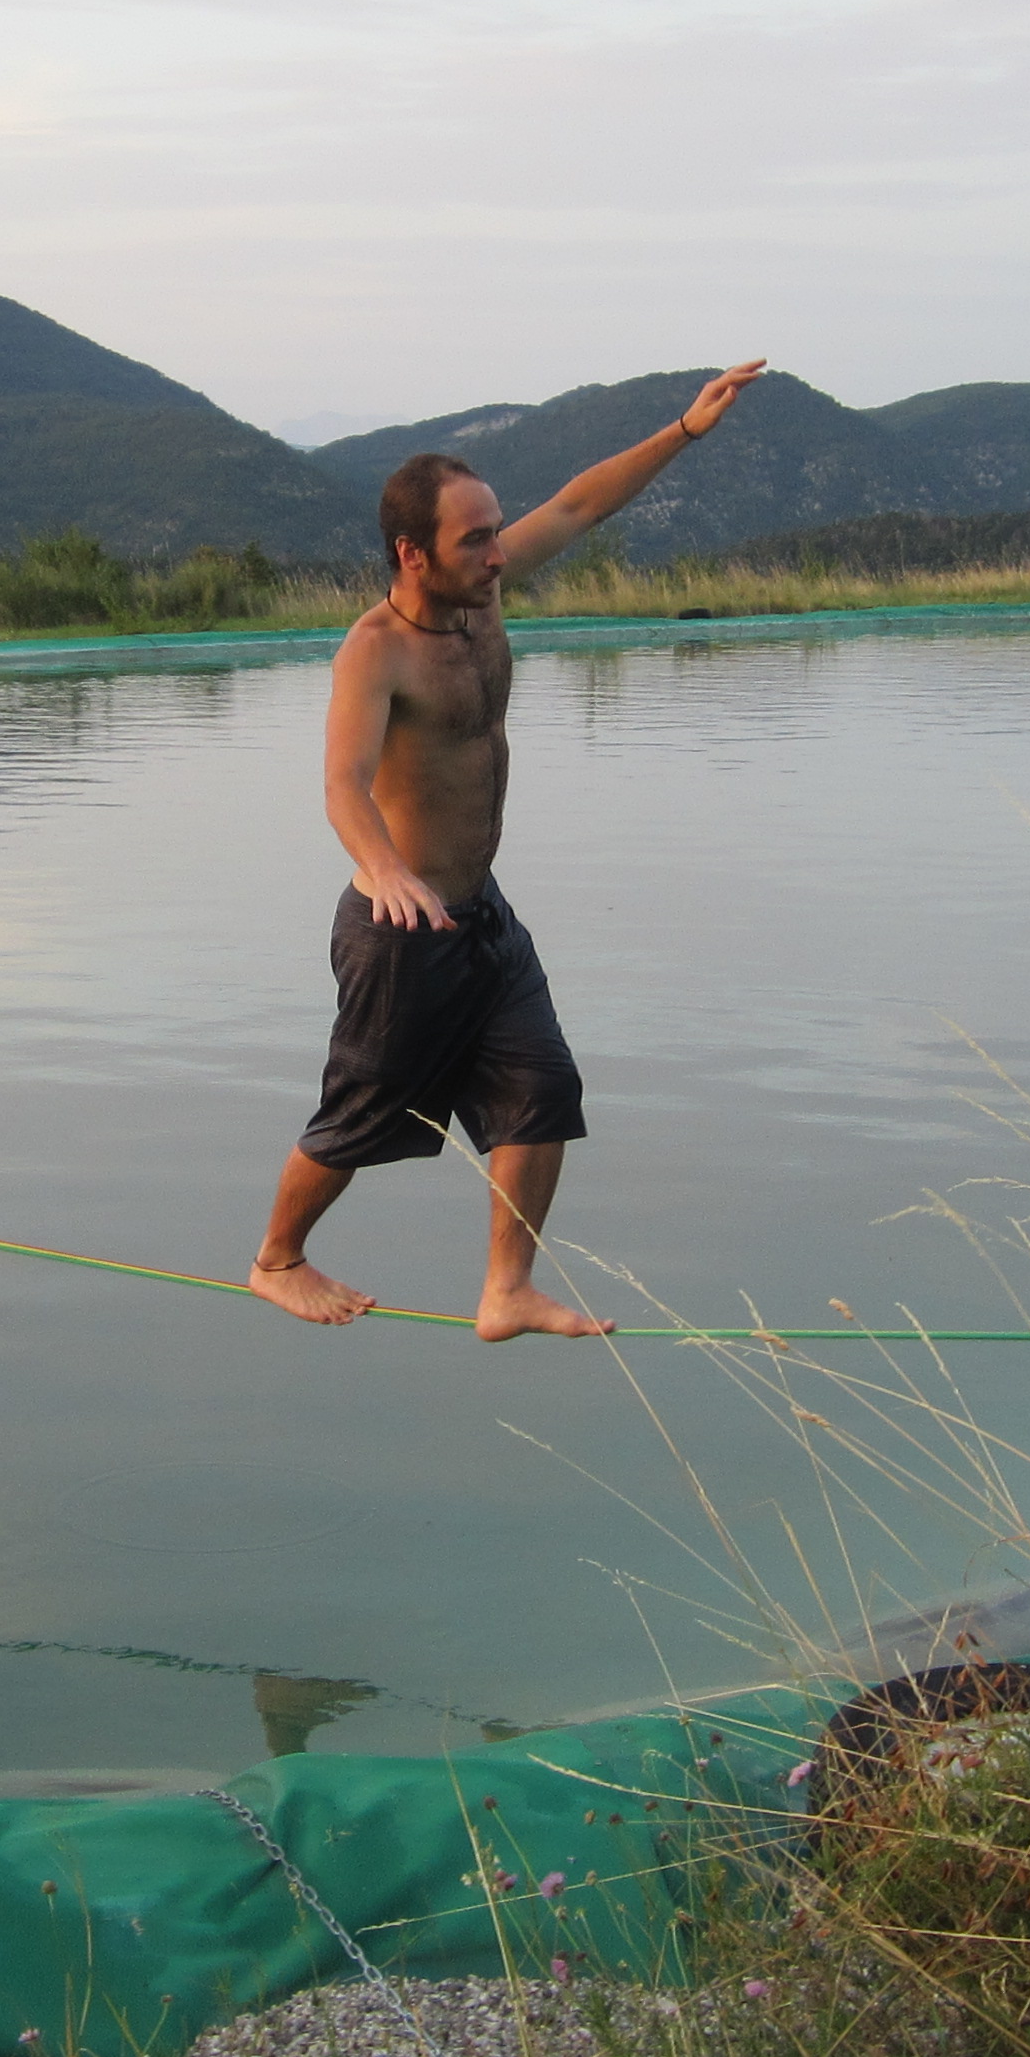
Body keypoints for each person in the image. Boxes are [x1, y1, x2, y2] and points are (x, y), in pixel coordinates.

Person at [248, 360, 769, 1339]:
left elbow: (577, 505)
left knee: (541, 1092)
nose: (498, 553)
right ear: (413, 554)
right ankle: (276, 1258)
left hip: (481, 913)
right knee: (363, 1113)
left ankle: (505, 1289)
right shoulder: (375, 650)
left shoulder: (481, 595)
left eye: (495, 532)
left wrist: (686, 429)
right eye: (475, 539)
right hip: (400, 928)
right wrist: (387, 867)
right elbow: (341, 782)